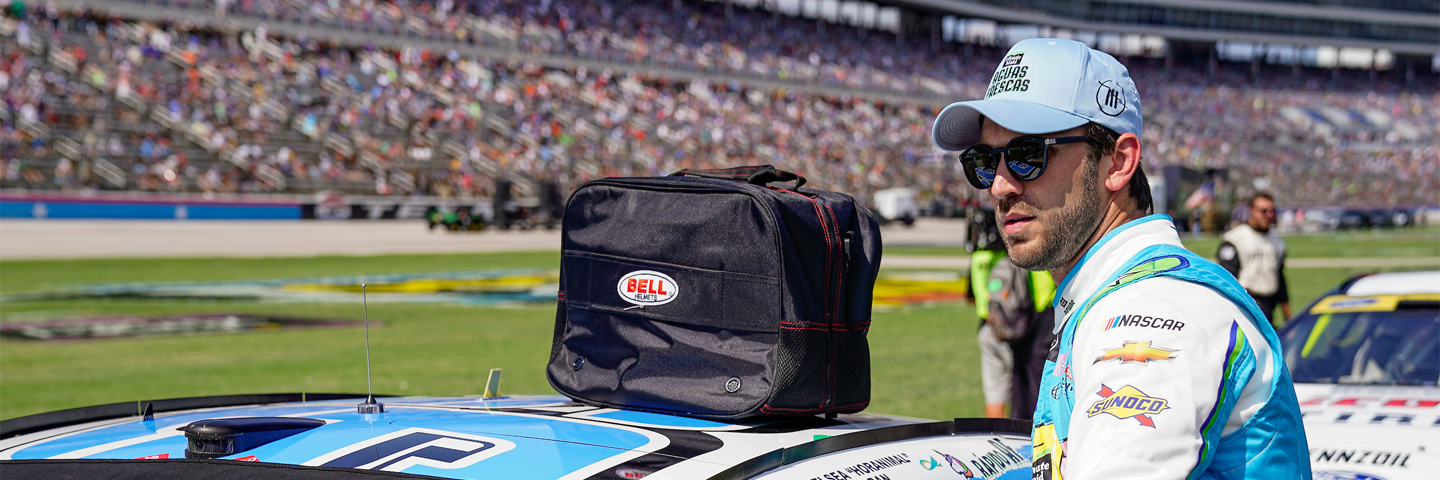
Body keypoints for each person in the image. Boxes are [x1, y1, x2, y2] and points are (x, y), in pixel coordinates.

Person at [931, 38, 1309, 480]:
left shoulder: (1152, 309)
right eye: (982, 161)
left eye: (1027, 156)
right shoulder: (1113, 292)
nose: (999, 186)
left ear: (1118, 162)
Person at [1218, 193, 1290, 325]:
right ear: (1251, 210)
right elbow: (1226, 279)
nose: (1269, 215)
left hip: (1268, 306)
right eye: (1263, 211)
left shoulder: (1278, 244)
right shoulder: (1235, 238)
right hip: (1244, 305)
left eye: (1272, 211)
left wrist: (1288, 318)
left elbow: (1280, 282)